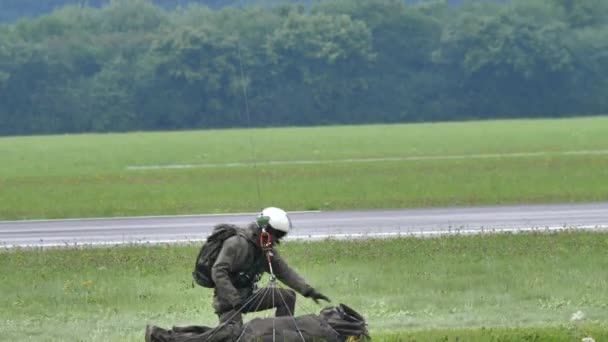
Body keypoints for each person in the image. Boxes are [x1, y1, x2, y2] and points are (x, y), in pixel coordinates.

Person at [211, 207, 330, 325]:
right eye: (277, 235)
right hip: (227, 300)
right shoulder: (236, 243)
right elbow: (218, 271)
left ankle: (282, 334)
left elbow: (284, 272)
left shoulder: (265, 250)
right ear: (265, 230)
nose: (277, 240)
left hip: (248, 295)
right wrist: (234, 298)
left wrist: (308, 291)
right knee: (234, 335)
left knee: (287, 297)